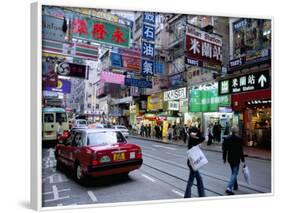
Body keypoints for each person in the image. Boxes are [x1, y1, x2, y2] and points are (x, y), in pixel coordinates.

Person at [222, 126, 245, 195]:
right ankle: (229, 187)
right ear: (237, 131)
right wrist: (242, 159)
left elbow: (224, 150)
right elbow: (241, 150)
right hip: (236, 158)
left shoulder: (227, 138)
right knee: (235, 173)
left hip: (230, 158)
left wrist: (224, 158)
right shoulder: (239, 139)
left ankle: (235, 185)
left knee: (233, 172)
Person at [184, 126, 205, 198]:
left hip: (191, 162)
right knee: (198, 179)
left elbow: (201, 138)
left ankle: (188, 195)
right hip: (193, 162)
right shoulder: (193, 139)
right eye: (194, 132)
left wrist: (195, 133)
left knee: (192, 179)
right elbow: (203, 138)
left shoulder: (191, 138)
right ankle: (201, 195)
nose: (195, 134)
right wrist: (198, 132)